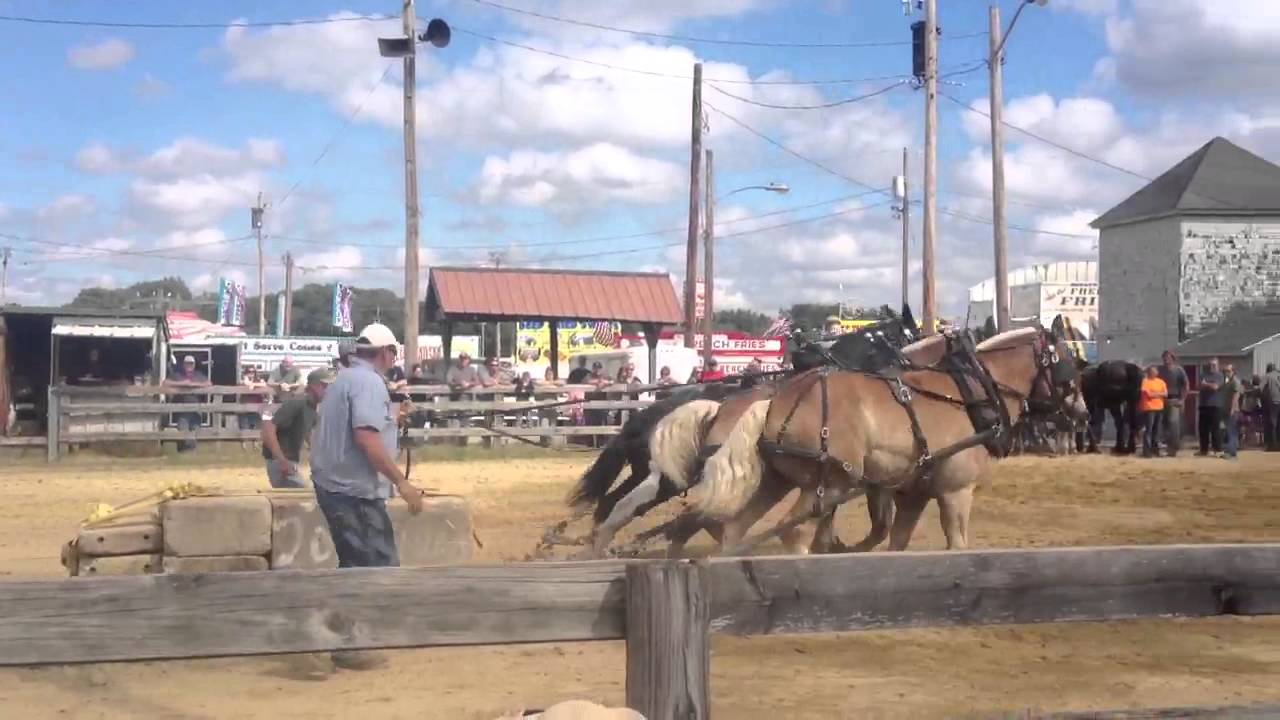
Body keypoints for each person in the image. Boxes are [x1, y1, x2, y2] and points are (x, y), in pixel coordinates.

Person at [310, 323, 425, 671]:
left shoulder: (346, 378)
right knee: (374, 565)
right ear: (386, 352)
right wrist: (402, 483)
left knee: (358, 561)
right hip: (352, 489)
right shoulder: (368, 382)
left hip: (338, 484)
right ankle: (348, 643)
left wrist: (394, 418)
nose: (394, 359)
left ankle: (345, 635)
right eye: (394, 353)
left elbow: (365, 428)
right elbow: (365, 438)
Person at [261, 368, 334, 488]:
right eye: (325, 386)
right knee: (302, 497)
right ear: (313, 386)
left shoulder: (312, 408)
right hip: (280, 461)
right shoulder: (297, 403)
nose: (329, 390)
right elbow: (268, 429)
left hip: (290, 460)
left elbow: (307, 433)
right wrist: (281, 460)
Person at [165, 355, 210, 453]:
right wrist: (182, 383)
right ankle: (183, 451)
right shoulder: (177, 375)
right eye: (187, 363)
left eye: (191, 363)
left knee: (195, 429)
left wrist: (193, 384)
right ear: (183, 364)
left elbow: (209, 384)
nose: (189, 365)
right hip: (181, 408)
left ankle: (191, 452)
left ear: (194, 365)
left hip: (196, 407)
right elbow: (165, 383)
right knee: (182, 429)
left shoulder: (199, 375)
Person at [1158, 351, 1189, 457]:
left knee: (1173, 424)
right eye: (1164, 357)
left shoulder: (1179, 370)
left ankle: (1174, 448)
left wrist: (1182, 399)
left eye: (1167, 357)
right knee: (1164, 424)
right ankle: (1167, 447)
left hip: (1174, 400)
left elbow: (1186, 385)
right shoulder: (1160, 370)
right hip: (1161, 400)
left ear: (1172, 358)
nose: (1165, 359)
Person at [1138, 366, 1167, 458]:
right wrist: (1159, 394)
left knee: (1156, 430)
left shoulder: (1161, 382)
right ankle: (1147, 452)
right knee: (1149, 430)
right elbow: (1148, 395)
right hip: (1149, 408)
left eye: (1155, 371)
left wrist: (1156, 394)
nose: (1153, 373)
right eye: (1151, 371)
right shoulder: (1145, 381)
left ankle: (1155, 451)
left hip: (1159, 408)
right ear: (1149, 372)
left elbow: (1165, 394)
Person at [1197, 358, 1223, 456]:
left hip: (1215, 405)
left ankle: (1218, 450)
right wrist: (1207, 385)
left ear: (1217, 366)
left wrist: (1206, 384)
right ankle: (1204, 450)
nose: (1212, 367)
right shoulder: (1203, 375)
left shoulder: (1220, 375)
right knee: (1203, 429)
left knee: (1215, 429)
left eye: (1214, 365)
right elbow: (1199, 386)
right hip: (1203, 405)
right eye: (1210, 365)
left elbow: (1216, 387)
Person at [1221, 363, 1242, 459]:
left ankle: (1232, 453)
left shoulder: (1235, 382)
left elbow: (1235, 396)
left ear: (1233, 371)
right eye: (1225, 371)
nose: (1226, 373)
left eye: (1228, 371)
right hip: (1226, 410)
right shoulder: (1228, 382)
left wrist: (1232, 409)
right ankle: (1230, 451)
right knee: (1229, 432)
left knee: (1232, 432)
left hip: (1232, 410)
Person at [1263, 362, 1280, 451]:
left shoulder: (1268, 376)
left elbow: (1260, 389)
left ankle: (1272, 445)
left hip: (1273, 402)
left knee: (1272, 424)